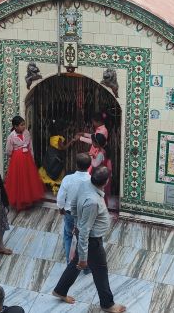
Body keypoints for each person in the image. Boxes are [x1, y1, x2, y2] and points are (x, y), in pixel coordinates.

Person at [52, 166, 126, 313]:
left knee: (76, 263)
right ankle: (107, 304)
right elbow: (85, 231)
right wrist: (83, 258)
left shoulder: (85, 184)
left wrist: (75, 223)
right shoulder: (92, 201)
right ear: (106, 181)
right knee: (100, 270)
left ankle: (60, 290)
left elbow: (73, 204)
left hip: (86, 233)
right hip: (92, 240)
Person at [56, 153, 91, 265]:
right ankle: (85, 266)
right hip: (85, 215)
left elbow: (61, 197)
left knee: (69, 236)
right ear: (89, 165)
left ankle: (69, 263)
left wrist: (61, 208)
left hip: (70, 213)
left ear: (76, 165)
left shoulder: (68, 179)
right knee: (84, 239)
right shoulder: (92, 180)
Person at [4, 116, 43, 211]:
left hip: (27, 159)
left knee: (28, 178)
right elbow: (8, 151)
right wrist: (15, 156)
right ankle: (20, 200)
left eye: (24, 124)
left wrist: (32, 158)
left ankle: (29, 198)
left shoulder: (26, 133)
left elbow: (30, 146)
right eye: (21, 125)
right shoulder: (11, 136)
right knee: (19, 180)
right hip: (17, 161)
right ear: (15, 126)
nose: (24, 126)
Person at [89, 133, 113, 202]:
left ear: (97, 143)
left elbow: (95, 164)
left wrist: (91, 157)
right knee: (104, 192)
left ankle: (103, 205)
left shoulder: (101, 153)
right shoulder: (103, 150)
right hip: (105, 172)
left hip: (102, 174)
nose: (92, 143)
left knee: (101, 192)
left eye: (93, 142)